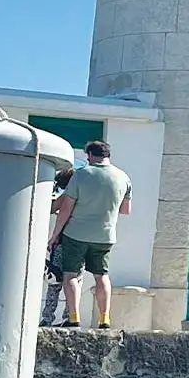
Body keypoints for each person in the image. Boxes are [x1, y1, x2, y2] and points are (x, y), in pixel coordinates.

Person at [48, 140, 133, 329]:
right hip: (105, 236)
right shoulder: (123, 177)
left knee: (70, 275)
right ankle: (104, 319)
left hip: (76, 234)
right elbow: (125, 209)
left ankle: (73, 317)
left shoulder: (82, 175)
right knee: (101, 276)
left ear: (90, 155)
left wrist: (55, 235)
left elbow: (66, 209)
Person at [39, 167, 75, 328]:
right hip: (79, 243)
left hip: (62, 241)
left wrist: (49, 191)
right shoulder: (85, 196)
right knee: (74, 281)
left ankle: (47, 318)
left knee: (55, 281)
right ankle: (70, 316)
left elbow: (52, 208)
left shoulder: (67, 196)